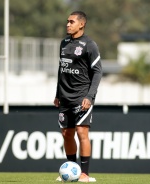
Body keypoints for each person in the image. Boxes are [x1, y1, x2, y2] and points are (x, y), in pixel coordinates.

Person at [54, 11, 102, 182]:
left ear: (81, 24)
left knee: (82, 133)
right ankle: (71, 169)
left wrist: (90, 96)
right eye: (67, 21)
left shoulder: (89, 45)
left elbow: (97, 72)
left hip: (82, 97)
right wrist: (58, 94)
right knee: (67, 134)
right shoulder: (64, 43)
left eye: (72, 21)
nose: (68, 24)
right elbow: (62, 70)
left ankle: (84, 173)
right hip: (65, 97)